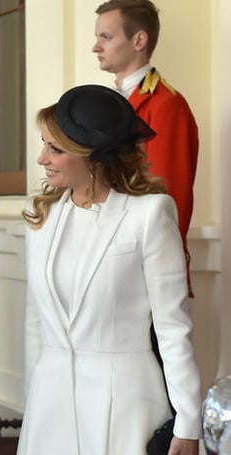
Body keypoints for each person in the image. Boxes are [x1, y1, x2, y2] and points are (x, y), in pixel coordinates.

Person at [0, 85, 206, 455]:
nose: (42, 159)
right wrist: (35, 404)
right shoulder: (42, 220)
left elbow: (173, 326)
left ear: (92, 156)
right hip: (51, 405)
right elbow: (35, 321)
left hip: (124, 401)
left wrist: (188, 423)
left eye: (56, 148)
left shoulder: (149, 214)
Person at [93, 0, 199, 293]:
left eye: (106, 37)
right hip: (107, 261)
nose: (96, 47)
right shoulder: (109, 104)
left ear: (139, 40)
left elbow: (166, 196)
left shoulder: (166, 105)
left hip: (144, 268)